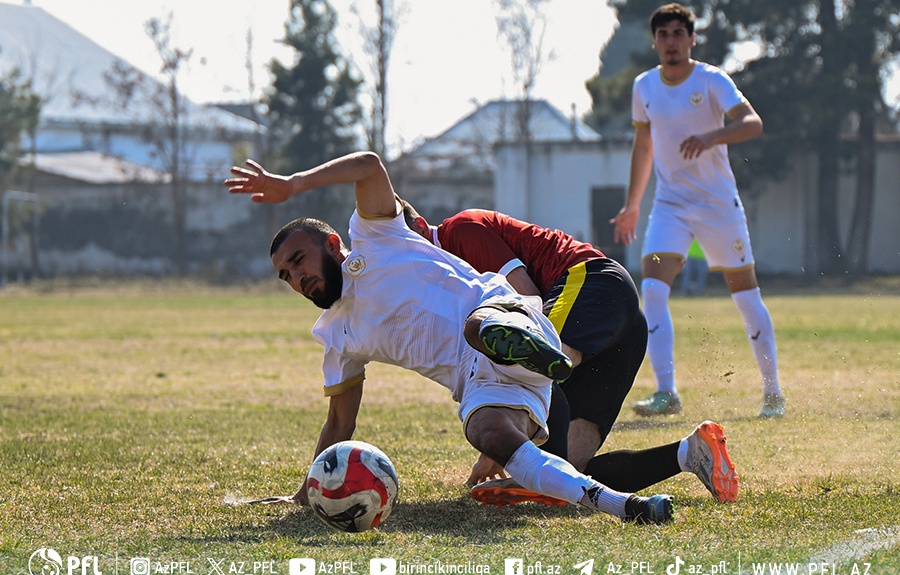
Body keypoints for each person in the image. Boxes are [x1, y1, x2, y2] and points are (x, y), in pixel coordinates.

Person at [224, 151, 673, 524]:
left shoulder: (376, 234)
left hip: (502, 312)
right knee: (484, 430)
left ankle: (530, 346)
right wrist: (305, 494)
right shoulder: (337, 339)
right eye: (286, 276)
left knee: (479, 327)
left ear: (333, 245)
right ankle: (625, 504)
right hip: (478, 380)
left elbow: (368, 165)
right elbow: (340, 424)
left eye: (299, 261)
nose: (296, 278)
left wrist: (293, 183)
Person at [399, 203, 739, 505]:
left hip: (591, 281)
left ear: (417, 228)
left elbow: (527, 301)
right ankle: (691, 453)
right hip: (620, 319)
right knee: (569, 472)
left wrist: (502, 437)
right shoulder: (445, 276)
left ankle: (532, 481)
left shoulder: (460, 229)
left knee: (536, 370)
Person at [610, 2, 786, 419]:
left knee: (745, 295)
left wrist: (710, 137)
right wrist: (632, 205)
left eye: (678, 33)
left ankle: (773, 392)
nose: (671, 42)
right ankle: (667, 392)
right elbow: (644, 146)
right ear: (654, 42)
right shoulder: (644, 87)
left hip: (717, 204)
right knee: (651, 289)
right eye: (663, 35)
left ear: (692, 39)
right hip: (670, 205)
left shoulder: (711, 80)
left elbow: (752, 122)